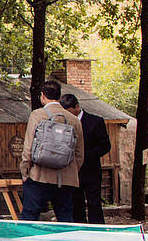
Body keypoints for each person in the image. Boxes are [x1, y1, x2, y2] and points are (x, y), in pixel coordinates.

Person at [20, 80, 85, 221]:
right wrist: (72, 170)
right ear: (60, 96)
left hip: (39, 175)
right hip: (66, 178)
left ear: (42, 96)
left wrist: (25, 171)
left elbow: (29, 147)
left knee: (29, 217)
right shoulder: (74, 120)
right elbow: (79, 154)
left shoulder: (37, 115)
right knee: (65, 218)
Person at [60, 93, 110, 224]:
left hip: (91, 170)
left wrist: (85, 156)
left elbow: (105, 146)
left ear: (77, 107)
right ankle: (79, 229)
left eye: (70, 111)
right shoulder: (63, 122)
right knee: (76, 203)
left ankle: (97, 229)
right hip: (73, 171)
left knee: (94, 203)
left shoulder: (95, 121)